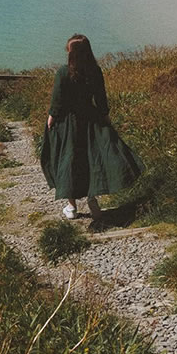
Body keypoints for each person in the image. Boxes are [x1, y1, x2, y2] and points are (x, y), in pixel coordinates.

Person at [41, 34, 144, 221]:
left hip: (68, 122)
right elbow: (101, 100)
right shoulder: (95, 71)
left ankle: (71, 207)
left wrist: (51, 118)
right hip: (91, 120)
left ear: (71, 53)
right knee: (91, 159)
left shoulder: (63, 72)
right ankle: (91, 198)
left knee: (69, 161)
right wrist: (105, 118)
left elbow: (57, 100)